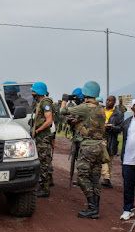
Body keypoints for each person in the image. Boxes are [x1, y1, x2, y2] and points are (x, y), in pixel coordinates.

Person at [60, 81, 108, 219]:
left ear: (86, 92)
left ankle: (92, 207)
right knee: (94, 177)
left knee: (82, 176)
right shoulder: (100, 108)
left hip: (88, 147)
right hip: (100, 147)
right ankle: (95, 208)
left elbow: (63, 111)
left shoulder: (84, 107)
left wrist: (64, 100)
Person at [30, 82, 54, 198]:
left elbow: (49, 121)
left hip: (43, 137)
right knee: (45, 161)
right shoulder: (40, 103)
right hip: (41, 136)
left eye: (33, 91)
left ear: (39, 92)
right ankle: (48, 183)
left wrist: (38, 130)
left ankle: (45, 189)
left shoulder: (46, 103)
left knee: (44, 162)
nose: (32, 93)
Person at [101, 95, 124, 188]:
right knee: (103, 156)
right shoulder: (101, 111)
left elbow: (121, 127)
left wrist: (112, 127)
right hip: (101, 137)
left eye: (110, 101)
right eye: (107, 100)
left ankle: (107, 178)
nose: (108, 102)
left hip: (111, 137)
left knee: (109, 158)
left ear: (114, 102)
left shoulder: (118, 114)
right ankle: (106, 177)